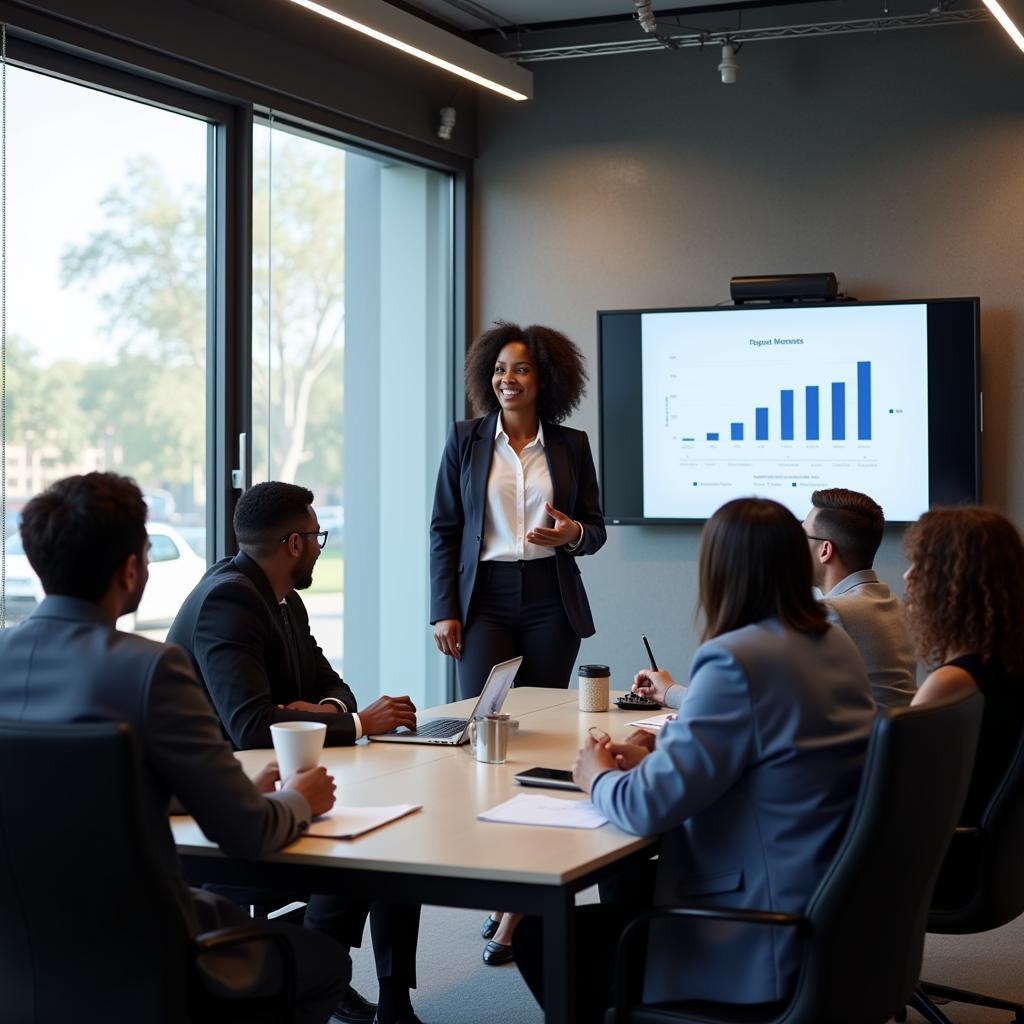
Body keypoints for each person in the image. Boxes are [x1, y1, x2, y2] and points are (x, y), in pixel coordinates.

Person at [0, 472, 346, 1024]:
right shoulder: (150, 670)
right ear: (133, 568)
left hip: (19, 961)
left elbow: (71, 791)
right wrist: (300, 798)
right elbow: (247, 833)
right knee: (323, 962)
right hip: (150, 955)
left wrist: (193, 794)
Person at [513, 497, 876, 1020]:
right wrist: (658, 756)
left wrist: (597, 775)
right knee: (627, 886)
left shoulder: (735, 660)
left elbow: (646, 809)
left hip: (755, 934)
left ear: (720, 573)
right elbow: (762, 753)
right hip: (826, 911)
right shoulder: (831, 642)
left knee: (542, 938)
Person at [167, 480, 422, 1024]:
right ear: (294, 544)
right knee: (363, 860)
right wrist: (351, 722)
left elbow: (335, 684)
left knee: (390, 839)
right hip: (222, 811)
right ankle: (314, 984)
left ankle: (390, 1003)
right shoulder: (228, 600)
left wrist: (328, 708)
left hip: (281, 778)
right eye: (317, 536)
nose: (320, 545)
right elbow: (252, 726)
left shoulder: (285, 600)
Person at [429, 321, 606, 964]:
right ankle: (498, 875)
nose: (510, 378)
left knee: (540, 741)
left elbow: (596, 528)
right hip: (484, 604)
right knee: (482, 734)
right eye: (501, 369)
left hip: (550, 602)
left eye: (522, 369)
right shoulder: (466, 441)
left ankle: (515, 907)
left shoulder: (569, 445)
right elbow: (444, 530)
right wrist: (443, 609)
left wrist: (573, 535)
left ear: (545, 379)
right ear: (488, 378)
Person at [907, 507, 1024, 828]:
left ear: (955, 583)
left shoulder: (952, 683)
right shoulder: (1008, 666)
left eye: (922, 565)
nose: (908, 575)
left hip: (947, 859)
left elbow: (901, 793)